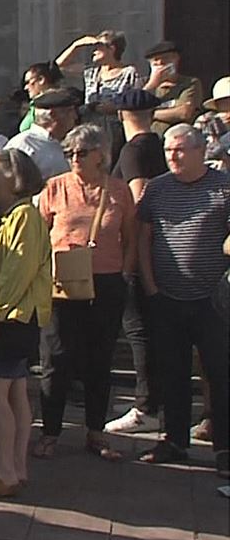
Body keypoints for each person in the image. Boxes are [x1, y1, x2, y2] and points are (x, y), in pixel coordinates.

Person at [35, 125, 136, 462]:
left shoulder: (119, 191)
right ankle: (50, 432)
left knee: (99, 360)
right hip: (62, 283)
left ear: (100, 155)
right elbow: (38, 234)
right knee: (55, 359)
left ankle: (96, 432)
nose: (74, 159)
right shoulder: (56, 188)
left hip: (105, 283)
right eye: (69, 153)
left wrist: (124, 272)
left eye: (81, 152)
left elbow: (131, 237)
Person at [136, 124, 229, 480]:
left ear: (199, 151)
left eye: (180, 150)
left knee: (220, 374)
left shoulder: (223, 187)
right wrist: (150, 285)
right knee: (171, 372)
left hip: (214, 300)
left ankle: (224, 447)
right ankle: (173, 439)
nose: (173, 157)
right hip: (166, 296)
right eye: (169, 151)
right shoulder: (156, 189)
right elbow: (143, 238)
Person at [0, 148, 49, 499]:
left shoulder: (24, 217)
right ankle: (16, 466)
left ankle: (4, 470)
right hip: (15, 316)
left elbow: (18, 270)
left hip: (13, 319)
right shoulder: (13, 215)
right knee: (15, 391)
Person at [105, 90, 168, 435]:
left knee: (137, 328)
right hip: (156, 249)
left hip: (136, 250)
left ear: (120, 115)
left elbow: (139, 196)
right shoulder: (156, 145)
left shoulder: (133, 150)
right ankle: (153, 401)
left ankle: (146, 406)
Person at [56, 30, 142, 159]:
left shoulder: (128, 72)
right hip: (89, 127)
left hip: (115, 131)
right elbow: (58, 67)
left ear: (111, 48)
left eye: (99, 47)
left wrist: (115, 107)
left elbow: (137, 100)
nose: (94, 51)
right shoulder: (91, 71)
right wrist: (76, 45)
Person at [5, 89, 77, 180]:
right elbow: (9, 182)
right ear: (53, 115)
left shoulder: (71, 141)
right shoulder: (24, 144)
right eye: (70, 111)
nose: (75, 116)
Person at [141, 41, 203, 134]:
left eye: (165, 59)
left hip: (178, 137)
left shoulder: (189, 83)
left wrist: (149, 114)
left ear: (176, 59)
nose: (161, 64)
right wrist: (151, 85)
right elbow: (133, 109)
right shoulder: (143, 84)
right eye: (156, 61)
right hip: (149, 137)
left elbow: (184, 113)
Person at [18, 62, 64, 133]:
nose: (25, 88)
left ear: (41, 79)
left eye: (28, 82)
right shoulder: (35, 104)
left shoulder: (57, 105)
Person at [196, 76, 230, 170]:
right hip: (215, 173)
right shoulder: (206, 121)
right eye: (225, 103)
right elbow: (206, 154)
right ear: (217, 105)